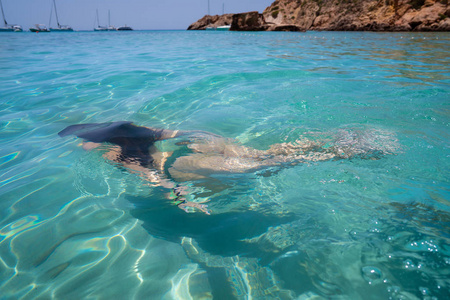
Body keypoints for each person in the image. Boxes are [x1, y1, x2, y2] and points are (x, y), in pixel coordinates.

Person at [59, 121, 392, 214]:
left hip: (191, 165)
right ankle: (344, 141)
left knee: (273, 164)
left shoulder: (113, 154)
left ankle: (348, 153)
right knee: (268, 154)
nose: (83, 146)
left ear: (95, 139)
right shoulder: (135, 129)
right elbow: (182, 132)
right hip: (201, 145)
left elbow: (153, 178)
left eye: (83, 140)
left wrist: (182, 199)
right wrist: (209, 140)